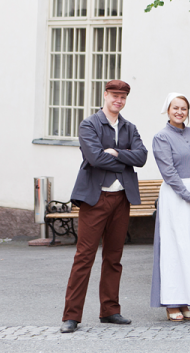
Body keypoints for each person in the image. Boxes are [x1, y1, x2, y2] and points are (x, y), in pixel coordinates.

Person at [61, 80, 147, 334]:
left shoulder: (129, 127)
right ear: (106, 95)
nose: (118, 100)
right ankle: (71, 316)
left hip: (121, 199)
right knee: (84, 257)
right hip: (95, 198)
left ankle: (109, 310)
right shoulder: (89, 124)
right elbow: (94, 157)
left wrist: (117, 153)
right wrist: (125, 158)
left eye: (123, 97)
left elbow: (142, 157)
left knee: (114, 257)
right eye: (114, 96)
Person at [151, 93, 190, 321]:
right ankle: (172, 303)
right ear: (168, 110)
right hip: (176, 198)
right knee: (175, 249)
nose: (179, 112)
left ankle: (187, 300)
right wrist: (188, 195)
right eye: (175, 108)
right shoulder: (161, 137)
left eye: (183, 108)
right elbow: (168, 171)